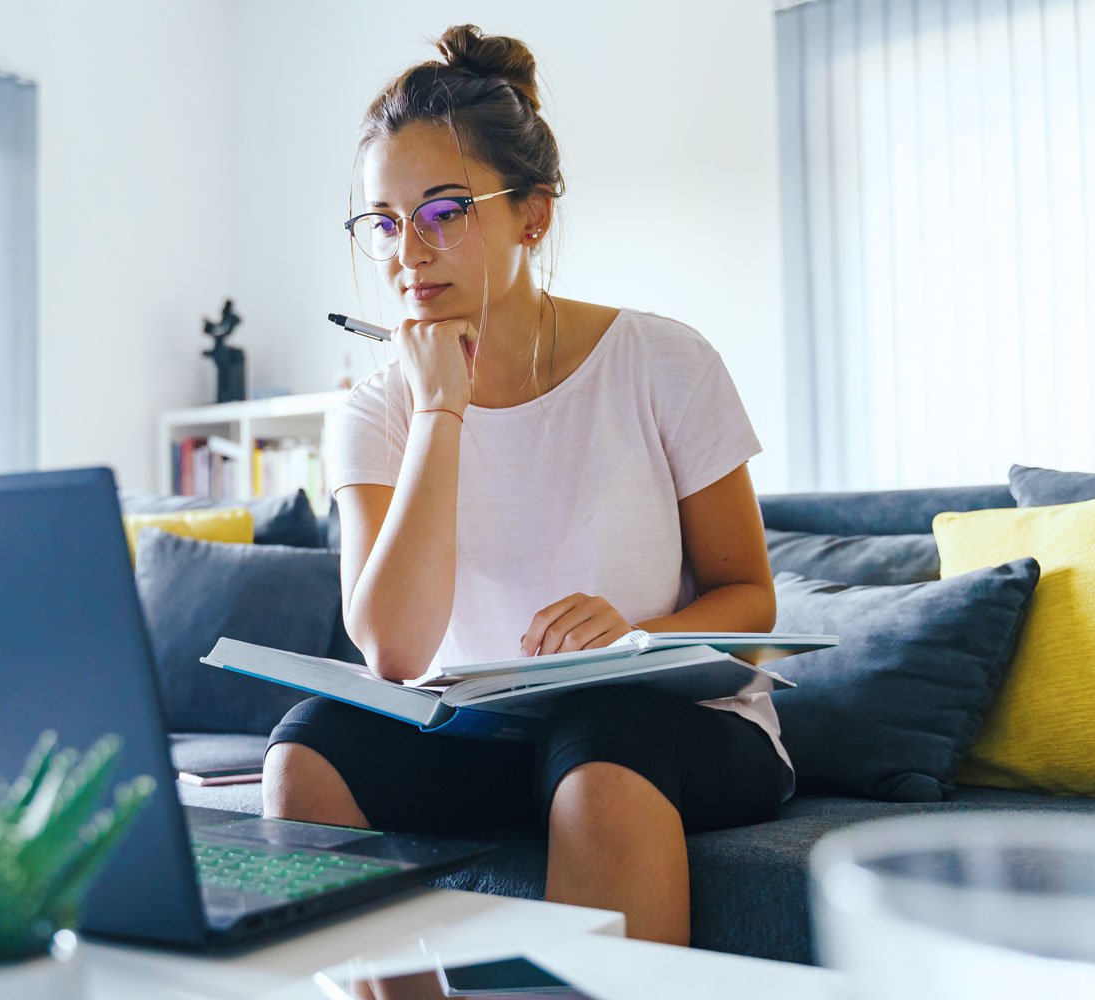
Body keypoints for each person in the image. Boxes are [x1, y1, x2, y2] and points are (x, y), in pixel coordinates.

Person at [262, 24, 788, 946]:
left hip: (669, 725)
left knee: (602, 739)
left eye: (444, 210)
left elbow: (751, 611)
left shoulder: (664, 360)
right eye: (383, 221)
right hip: (485, 736)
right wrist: (439, 410)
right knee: (307, 748)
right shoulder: (377, 410)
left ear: (532, 216)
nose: (407, 251)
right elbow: (391, 648)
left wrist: (634, 635)